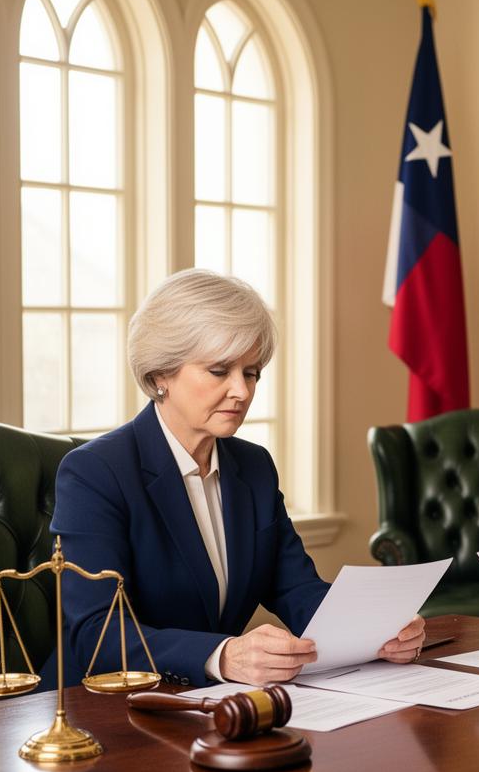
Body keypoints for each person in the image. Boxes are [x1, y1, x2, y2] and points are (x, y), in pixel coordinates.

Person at [42, 269, 424, 689]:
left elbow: (296, 589)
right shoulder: (94, 472)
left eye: (252, 372)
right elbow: (96, 631)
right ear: (159, 377)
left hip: (206, 707)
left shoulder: (253, 466)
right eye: (220, 371)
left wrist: (376, 630)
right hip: (99, 706)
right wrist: (220, 655)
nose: (242, 391)